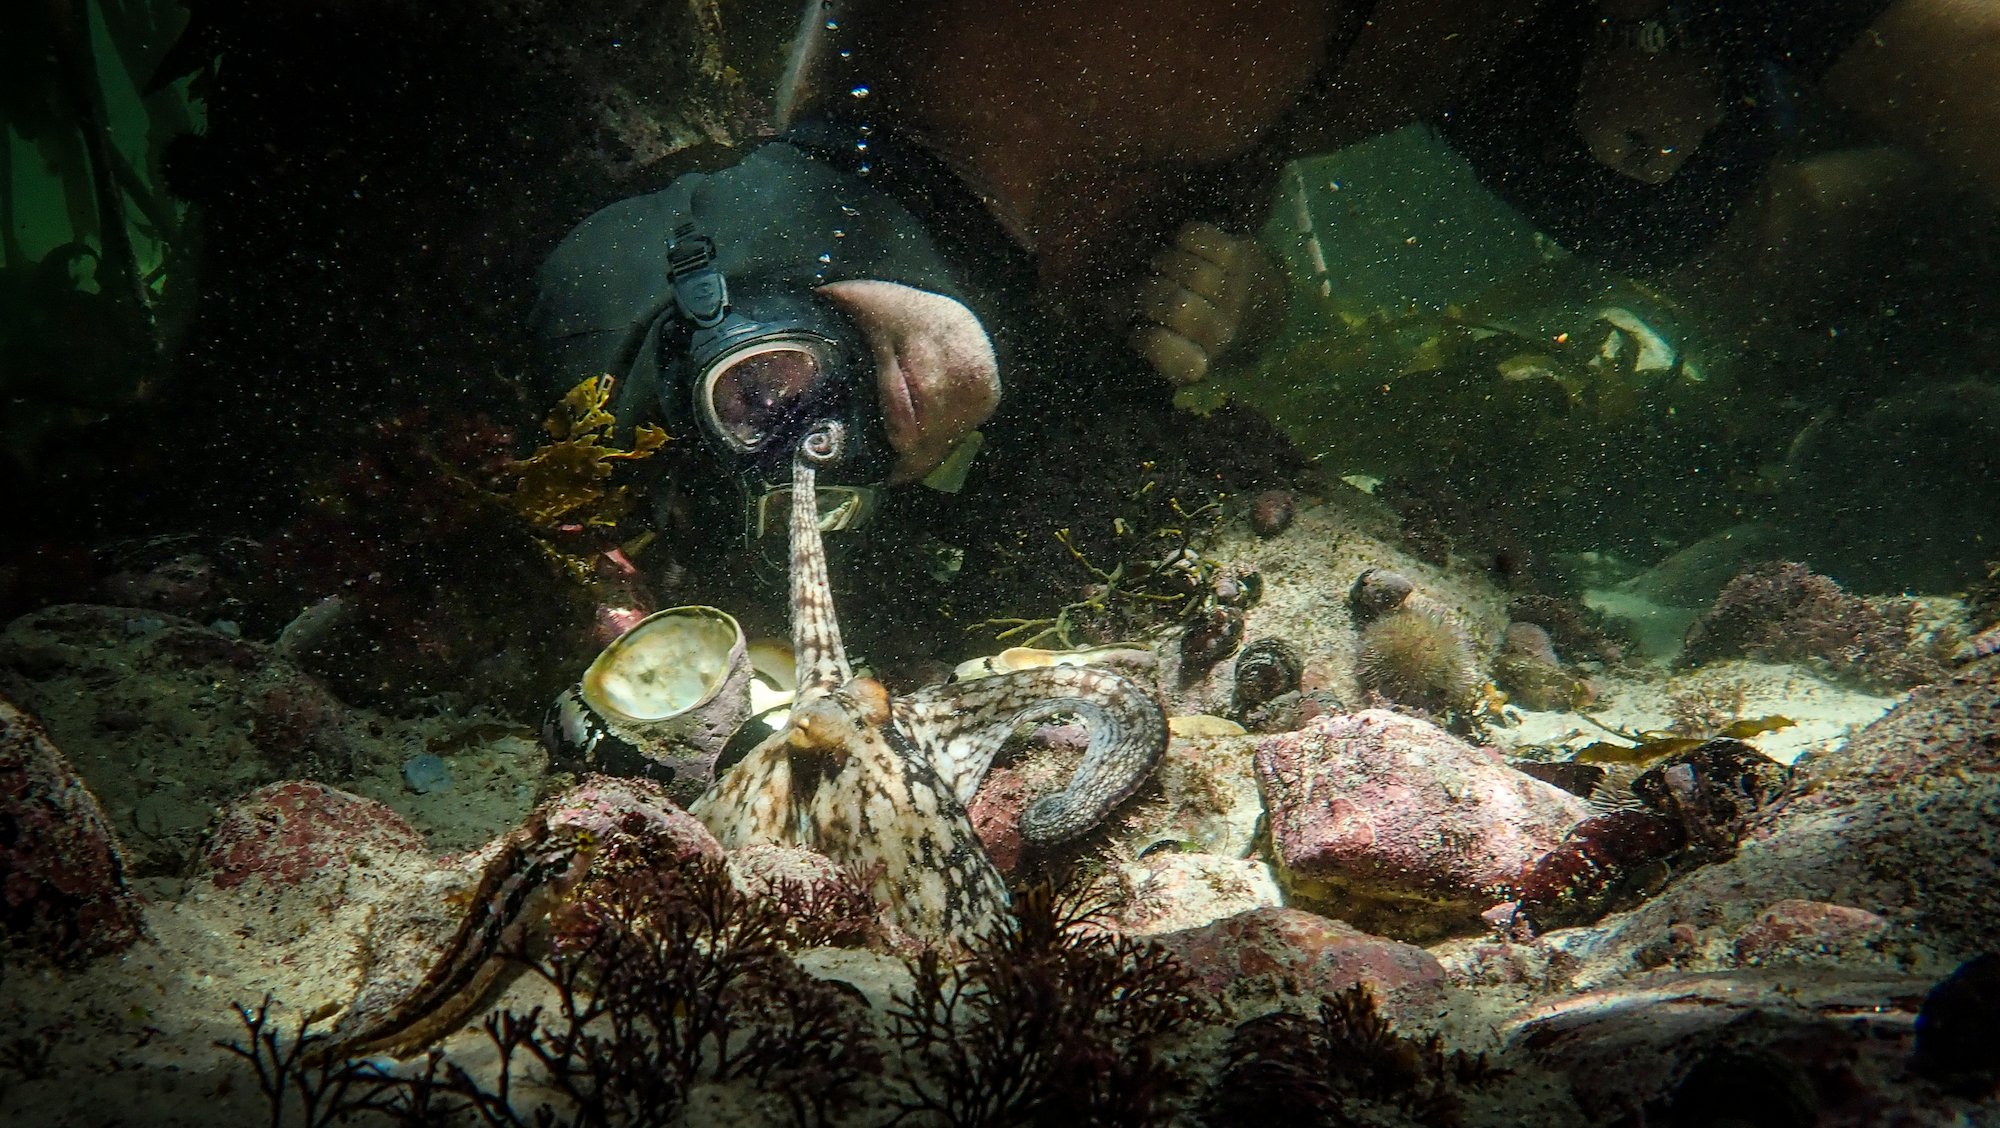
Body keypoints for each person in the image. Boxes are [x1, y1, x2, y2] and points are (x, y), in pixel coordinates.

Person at [530, 0, 1999, 550]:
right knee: (1737, 240)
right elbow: (718, 245)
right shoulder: (980, 95)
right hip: (1511, 83)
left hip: (1573, 63)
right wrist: (765, 343)